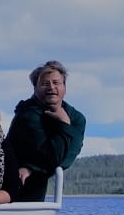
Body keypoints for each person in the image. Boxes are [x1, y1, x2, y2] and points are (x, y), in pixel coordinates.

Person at [6, 61, 86, 200]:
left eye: (56, 83)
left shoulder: (77, 118)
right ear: (35, 89)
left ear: (64, 87)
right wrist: (64, 125)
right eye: (44, 84)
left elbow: (68, 157)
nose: (51, 87)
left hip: (36, 178)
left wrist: (32, 168)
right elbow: (51, 157)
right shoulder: (27, 115)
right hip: (12, 180)